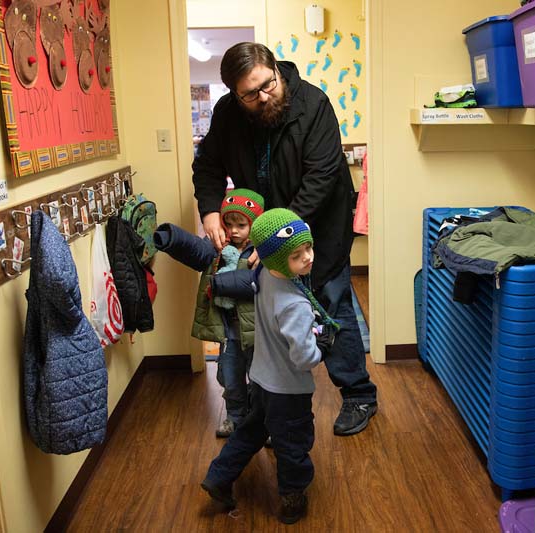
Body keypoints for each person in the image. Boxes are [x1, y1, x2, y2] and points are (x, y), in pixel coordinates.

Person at [192, 42, 377, 436]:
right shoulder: (228, 115)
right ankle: (273, 404)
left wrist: (275, 239)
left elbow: (322, 177)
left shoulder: (313, 104)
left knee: (330, 304)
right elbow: (207, 164)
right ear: (234, 95)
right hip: (263, 235)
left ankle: (360, 395)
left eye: (267, 85)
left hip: (318, 229)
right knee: (269, 312)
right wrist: (209, 209)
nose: (263, 97)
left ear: (274, 69)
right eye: (250, 95)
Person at [201, 209, 336, 524]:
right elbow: (304, 358)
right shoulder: (296, 304)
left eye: (309, 248)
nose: (308, 258)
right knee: (292, 443)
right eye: (297, 255)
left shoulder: (263, 275)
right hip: (288, 391)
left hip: (260, 378)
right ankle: (292, 496)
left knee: (250, 431)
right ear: (276, 259)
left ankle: (219, 476)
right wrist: (322, 348)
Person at [210, 189, 265, 437]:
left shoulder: (260, 252)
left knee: (258, 377)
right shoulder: (220, 249)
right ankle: (234, 417)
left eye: (241, 225)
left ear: (254, 225)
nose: (234, 230)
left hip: (255, 331)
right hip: (229, 330)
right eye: (228, 224)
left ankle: (259, 418)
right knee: (230, 378)